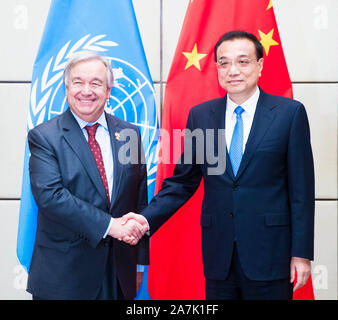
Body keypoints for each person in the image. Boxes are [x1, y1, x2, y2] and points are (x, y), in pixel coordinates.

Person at [123, 30, 315, 300]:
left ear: (259, 65)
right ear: (217, 69)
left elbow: (301, 192)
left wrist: (302, 253)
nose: (233, 70)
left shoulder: (289, 114)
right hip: (219, 256)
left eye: (243, 61)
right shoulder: (202, 116)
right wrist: (144, 219)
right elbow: (182, 182)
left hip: (270, 253)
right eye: (224, 63)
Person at [26, 51, 149, 300]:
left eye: (96, 83)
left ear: (109, 90)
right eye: (78, 82)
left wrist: (139, 264)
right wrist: (110, 226)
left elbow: (139, 200)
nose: (86, 90)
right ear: (66, 87)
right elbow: (51, 197)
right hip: (64, 276)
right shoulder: (44, 137)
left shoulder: (129, 134)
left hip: (118, 273)